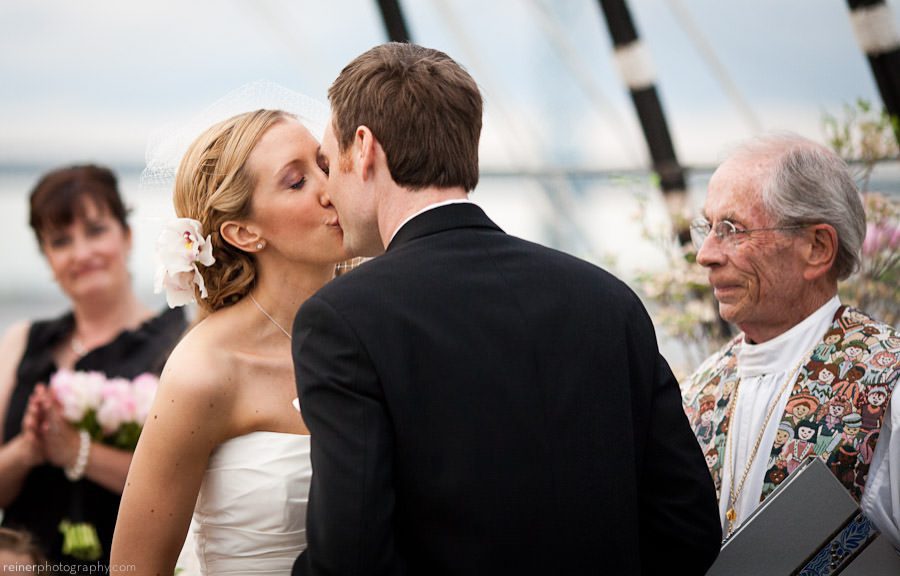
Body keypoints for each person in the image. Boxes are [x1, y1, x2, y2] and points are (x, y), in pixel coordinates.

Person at [292, 42, 722, 576]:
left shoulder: (343, 320)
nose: (327, 190)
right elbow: (690, 528)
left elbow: (350, 559)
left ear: (364, 148)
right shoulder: (609, 300)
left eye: (329, 165)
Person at [110, 109, 346, 576]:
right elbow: (134, 567)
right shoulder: (205, 370)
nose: (329, 188)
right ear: (244, 233)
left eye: (325, 164)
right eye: (297, 182)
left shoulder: (373, 333)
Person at [681, 134, 900, 552]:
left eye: (731, 229)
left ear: (817, 248)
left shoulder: (887, 382)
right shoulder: (697, 391)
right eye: (707, 229)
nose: (705, 254)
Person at [0, 165, 186, 567]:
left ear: (128, 236)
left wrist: (76, 452)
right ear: (48, 259)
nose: (82, 253)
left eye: (96, 230)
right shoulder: (22, 342)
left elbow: (188, 493)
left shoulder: (178, 345)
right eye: (61, 241)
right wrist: (28, 450)